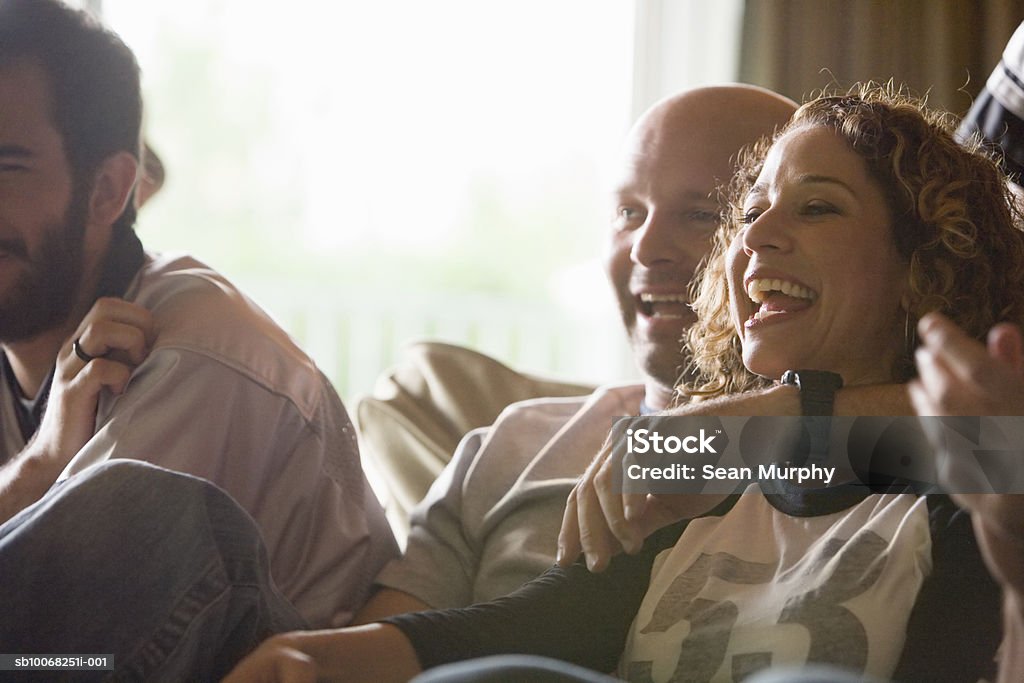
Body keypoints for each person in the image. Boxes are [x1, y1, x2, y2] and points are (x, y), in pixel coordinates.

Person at [222, 85, 1024, 682]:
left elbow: (995, 453)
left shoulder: (968, 480)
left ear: (922, 266)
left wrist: (768, 422)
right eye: (748, 213)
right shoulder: (695, 484)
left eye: (816, 209)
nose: (757, 240)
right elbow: (531, 626)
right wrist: (309, 658)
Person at [0, 0, 396, 630]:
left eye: (7, 166)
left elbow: (60, 648)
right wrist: (39, 468)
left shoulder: (191, 360)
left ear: (107, 189)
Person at [354, 84, 799, 621]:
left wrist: (761, 423)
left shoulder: (866, 449)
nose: (645, 247)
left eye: (701, 215)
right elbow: (383, 647)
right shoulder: (507, 449)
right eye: (629, 213)